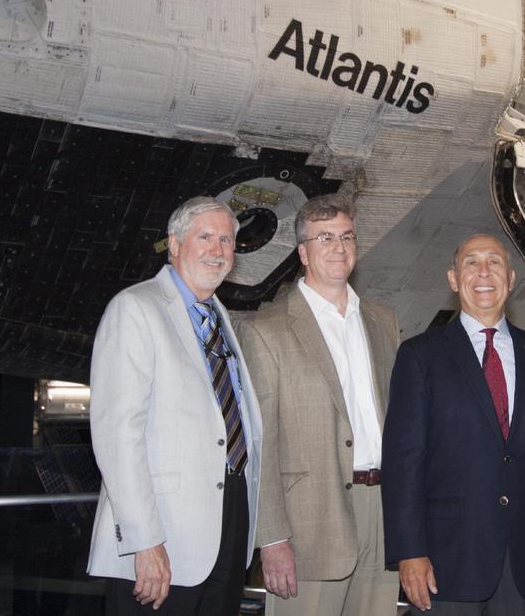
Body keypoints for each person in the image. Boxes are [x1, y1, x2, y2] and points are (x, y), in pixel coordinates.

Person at [87, 196, 262, 615]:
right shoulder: (135, 308)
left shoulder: (219, 317)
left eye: (226, 240)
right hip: (163, 538)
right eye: (206, 237)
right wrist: (144, 540)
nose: (217, 250)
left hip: (227, 526)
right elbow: (117, 436)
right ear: (176, 244)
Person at [383, 233, 525, 614]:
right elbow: (404, 461)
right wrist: (409, 551)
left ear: (511, 278)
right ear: (453, 279)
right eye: (471, 262)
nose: (484, 272)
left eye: (495, 262)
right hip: (446, 560)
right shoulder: (420, 356)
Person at [241, 194, 402, 616]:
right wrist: (272, 538)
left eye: (347, 236)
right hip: (310, 521)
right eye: (324, 237)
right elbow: (260, 443)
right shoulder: (266, 329)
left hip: (383, 512)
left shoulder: (383, 321)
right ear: (303, 252)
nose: (338, 247)